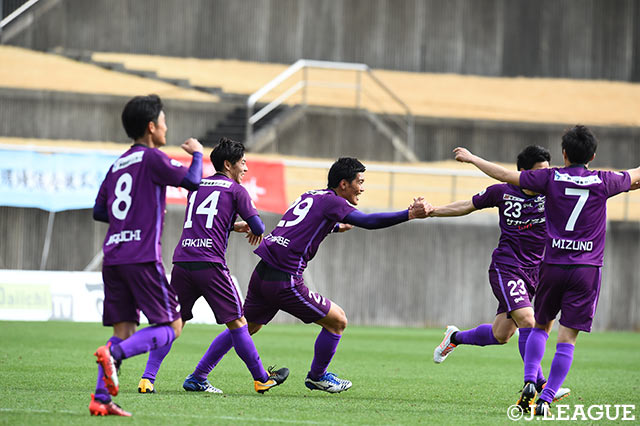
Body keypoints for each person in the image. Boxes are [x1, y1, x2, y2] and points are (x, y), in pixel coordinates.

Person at [185, 157, 431, 393]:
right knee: (337, 321)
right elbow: (368, 221)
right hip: (285, 280)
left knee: (243, 327)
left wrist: (334, 227)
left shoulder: (311, 195)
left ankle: (198, 376)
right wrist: (408, 214)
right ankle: (318, 376)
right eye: (360, 182)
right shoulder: (334, 202)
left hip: (262, 273)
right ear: (343, 184)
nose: (362, 188)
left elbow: (301, 225)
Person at [453, 125, 640, 416]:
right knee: (567, 338)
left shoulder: (550, 178)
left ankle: (530, 380)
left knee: (538, 327)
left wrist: (473, 158)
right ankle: (546, 397)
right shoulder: (605, 181)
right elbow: (635, 176)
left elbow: (504, 175)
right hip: (586, 269)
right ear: (593, 155)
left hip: (551, 266)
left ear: (564, 154)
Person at [137, 137, 289, 395]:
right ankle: (261, 378)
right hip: (210, 264)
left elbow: (205, 219)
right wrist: (251, 227)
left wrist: (231, 225)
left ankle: (147, 379)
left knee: (173, 323)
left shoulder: (196, 186)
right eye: (242, 162)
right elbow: (258, 227)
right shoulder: (236, 190)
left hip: (183, 261)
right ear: (228, 164)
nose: (246, 168)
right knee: (238, 323)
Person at [89, 94, 204, 417]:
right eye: (163, 121)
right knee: (172, 325)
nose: (166, 127)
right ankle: (115, 356)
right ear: (151, 127)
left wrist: (128, 217)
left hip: (113, 256)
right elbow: (192, 181)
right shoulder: (152, 158)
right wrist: (198, 154)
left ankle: (101, 398)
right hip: (141, 256)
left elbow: (100, 211)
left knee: (122, 331)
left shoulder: (117, 164)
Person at [431, 145, 567, 401]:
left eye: (547, 171)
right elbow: (467, 205)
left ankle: (454, 337)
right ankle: (540, 384)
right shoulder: (502, 192)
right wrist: (433, 211)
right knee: (529, 321)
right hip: (507, 268)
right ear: (524, 172)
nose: (544, 176)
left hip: (536, 272)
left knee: (501, 335)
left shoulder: (551, 192)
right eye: (539, 172)